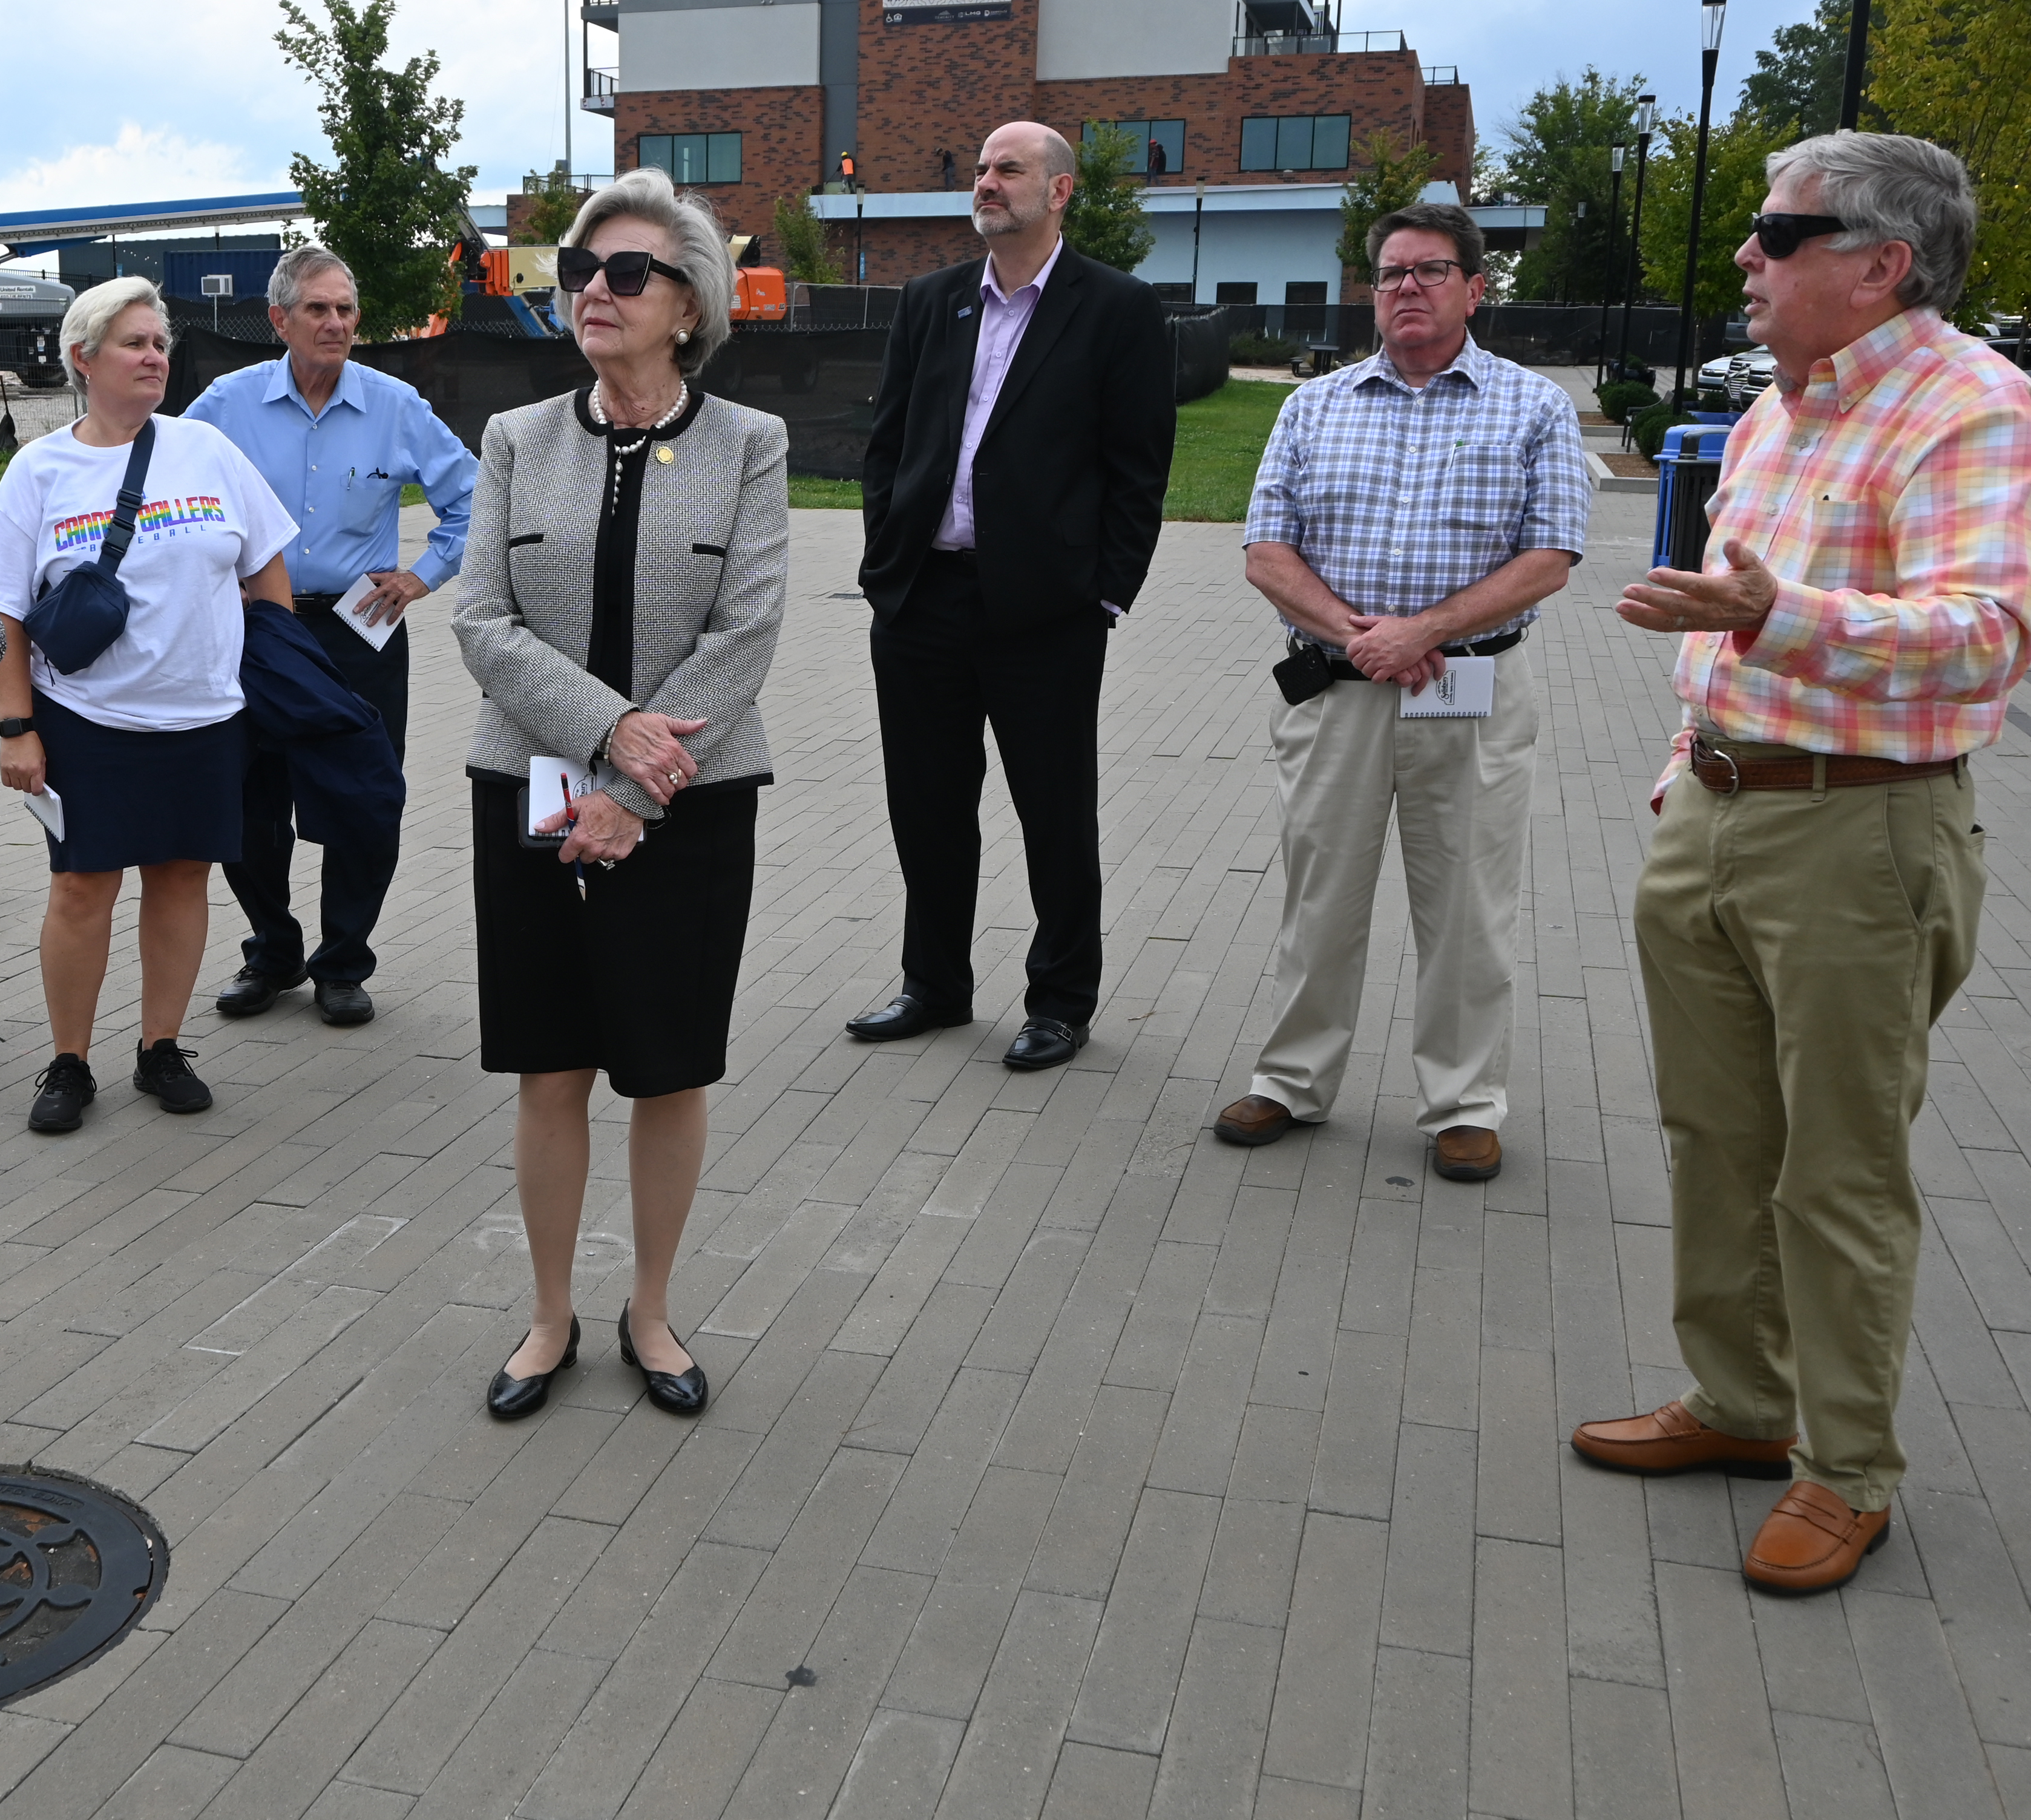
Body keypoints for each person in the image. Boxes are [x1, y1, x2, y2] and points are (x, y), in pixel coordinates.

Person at [1572, 133, 2031, 1596]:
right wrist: (1681, 771)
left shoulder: (1973, 407)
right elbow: (1733, 614)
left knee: (1836, 1172)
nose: (1744, 257)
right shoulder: (1778, 409)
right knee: (1713, 1138)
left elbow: (1984, 633)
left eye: (1776, 236)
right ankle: (1735, 1403)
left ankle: (1845, 1470)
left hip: (1859, 829)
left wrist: (1784, 618)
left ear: (1876, 262)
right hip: (1716, 806)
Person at [453, 169, 788, 1420]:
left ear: (688, 305)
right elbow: (481, 621)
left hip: (688, 800)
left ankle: (650, 1308)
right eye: (581, 271)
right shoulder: (515, 439)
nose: (595, 289)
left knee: (663, 1069)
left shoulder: (750, 447)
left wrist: (635, 792)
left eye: (628, 272)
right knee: (551, 1067)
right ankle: (551, 1315)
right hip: (532, 790)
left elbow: (744, 636)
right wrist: (608, 738)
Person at [1213, 201, 1591, 1182]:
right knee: (1318, 894)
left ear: (1474, 287)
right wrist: (1365, 637)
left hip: (1466, 687)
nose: (1405, 289)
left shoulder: (1533, 407)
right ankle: (1293, 1080)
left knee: (1465, 902)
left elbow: (1550, 557)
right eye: (1389, 274)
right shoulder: (1314, 405)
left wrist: (1427, 631)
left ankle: (1462, 1103)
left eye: (1428, 272)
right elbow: (1264, 550)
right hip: (1334, 689)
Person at [846, 122, 1175, 1072]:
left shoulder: (1115, 309)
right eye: (982, 168)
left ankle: (1060, 1001)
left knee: (1053, 814)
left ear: (1059, 190)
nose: (986, 183)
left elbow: (1136, 474)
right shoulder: (930, 301)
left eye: (1009, 170)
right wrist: (886, 569)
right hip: (922, 604)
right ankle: (936, 985)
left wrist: (1104, 598)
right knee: (928, 808)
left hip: (1046, 615)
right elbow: (889, 447)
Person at [0, 278, 299, 1134]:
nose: (154, 356)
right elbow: (2, 611)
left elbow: (265, 568)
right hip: (85, 719)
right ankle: (69, 1061)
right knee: (82, 887)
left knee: (183, 876)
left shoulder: (208, 452)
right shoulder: (38, 470)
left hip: (206, 719)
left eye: (159, 342)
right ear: (83, 359)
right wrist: (16, 726)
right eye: (134, 343)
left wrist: (267, 670)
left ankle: (161, 1047)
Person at [185, 246, 475, 1027]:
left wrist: (423, 575)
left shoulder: (396, 405)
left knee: (365, 800)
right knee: (249, 804)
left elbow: (476, 498)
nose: (336, 322)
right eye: (318, 308)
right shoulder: (224, 405)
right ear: (280, 319)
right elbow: (169, 494)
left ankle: (343, 962)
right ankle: (272, 952)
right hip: (257, 630)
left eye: (346, 308)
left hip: (361, 628)